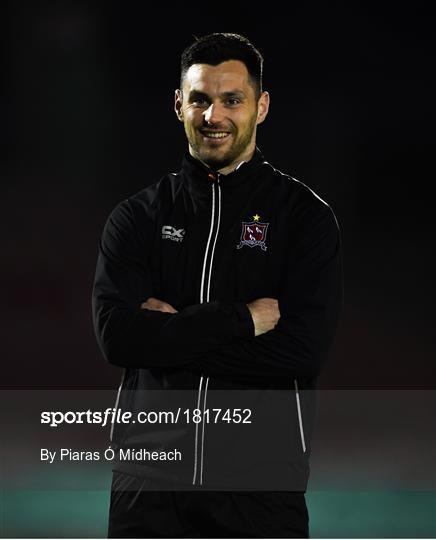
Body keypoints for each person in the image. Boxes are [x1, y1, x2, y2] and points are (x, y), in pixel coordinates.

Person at [92, 32, 343, 538]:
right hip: (148, 486)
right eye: (201, 99)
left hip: (261, 490)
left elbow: (301, 350)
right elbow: (117, 338)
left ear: (262, 106)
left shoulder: (305, 219)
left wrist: (168, 340)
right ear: (178, 104)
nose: (214, 117)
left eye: (232, 100)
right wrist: (241, 321)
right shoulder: (137, 217)